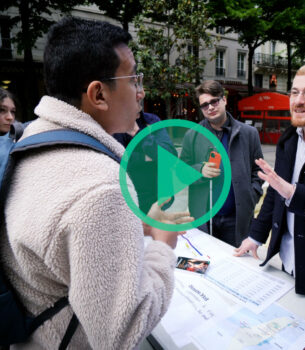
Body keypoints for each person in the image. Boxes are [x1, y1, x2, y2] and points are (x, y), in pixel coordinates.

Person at [0, 17, 192, 349]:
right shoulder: (103, 189)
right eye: (133, 79)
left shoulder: (33, 138)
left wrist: (133, 224)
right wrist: (163, 244)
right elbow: (120, 332)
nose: (141, 92)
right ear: (98, 94)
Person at [235, 62, 305, 304]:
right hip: (286, 268)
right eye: (294, 92)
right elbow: (275, 195)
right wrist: (255, 236)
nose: (298, 101)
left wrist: (294, 193)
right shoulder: (288, 140)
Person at [180, 80, 264, 247]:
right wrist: (200, 170)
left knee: (236, 266)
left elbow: (258, 171)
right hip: (205, 217)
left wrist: (251, 196)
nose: (210, 107)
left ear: (224, 100)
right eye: (204, 105)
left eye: (214, 101)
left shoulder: (249, 133)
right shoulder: (192, 135)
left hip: (237, 218)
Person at [113, 110, 177, 213]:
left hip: (158, 196)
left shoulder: (151, 120)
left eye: (141, 92)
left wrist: (137, 133)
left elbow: (170, 157)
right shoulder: (114, 124)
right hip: (130, 200)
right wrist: (148, 157)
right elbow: (117, 159)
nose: (140, 95)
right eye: (134, 93)